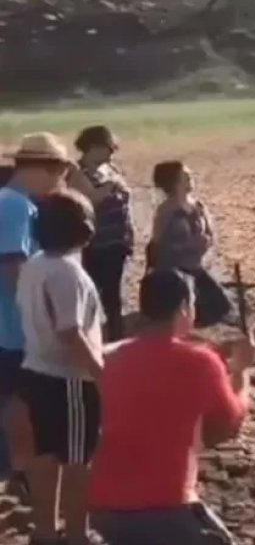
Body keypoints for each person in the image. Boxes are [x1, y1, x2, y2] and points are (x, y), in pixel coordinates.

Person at [89, 269, 254, 545]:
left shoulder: (107, 357)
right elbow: (230, 424)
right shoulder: (201, 363)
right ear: (184, 309)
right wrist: (241, 373)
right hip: (165, 509)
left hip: (101, 509)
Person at [16, 190, 105, 545]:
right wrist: (100, 372)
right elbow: (70, 331)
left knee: (45, 455)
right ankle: (77, 534)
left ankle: (44, 531)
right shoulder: (69, 273)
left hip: (34, 370)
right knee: (78, 460)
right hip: (69, 378)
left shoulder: (35, 264)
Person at [0, 133, 71, 493]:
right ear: (46, 168)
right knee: (16, 403)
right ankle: (17, 472)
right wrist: (41, 318)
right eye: (59, 174)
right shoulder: (14, 205)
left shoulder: (13, 202)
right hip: (10, 330)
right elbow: (14, 266)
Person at [68, 126, 134, 341]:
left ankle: (115, 336)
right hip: (96, 245)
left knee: (114, 295)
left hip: (117, 242)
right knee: (93, 292)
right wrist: (112, 186)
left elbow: (125, 200)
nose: (111, 153)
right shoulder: (78, 173)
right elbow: (90, 199)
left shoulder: (111, 170)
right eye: (108, 148)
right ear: (93, 147)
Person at [149, 161, 231, 328]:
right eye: (185, 176)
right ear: (174, 182)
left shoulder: (198, 206)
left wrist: (205, 241)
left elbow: (209, 233)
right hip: (175, 272)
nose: (191, 179)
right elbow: (157, 244)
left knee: (220, 306)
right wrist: (186, 245)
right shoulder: (165, 211)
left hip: (195, 267)